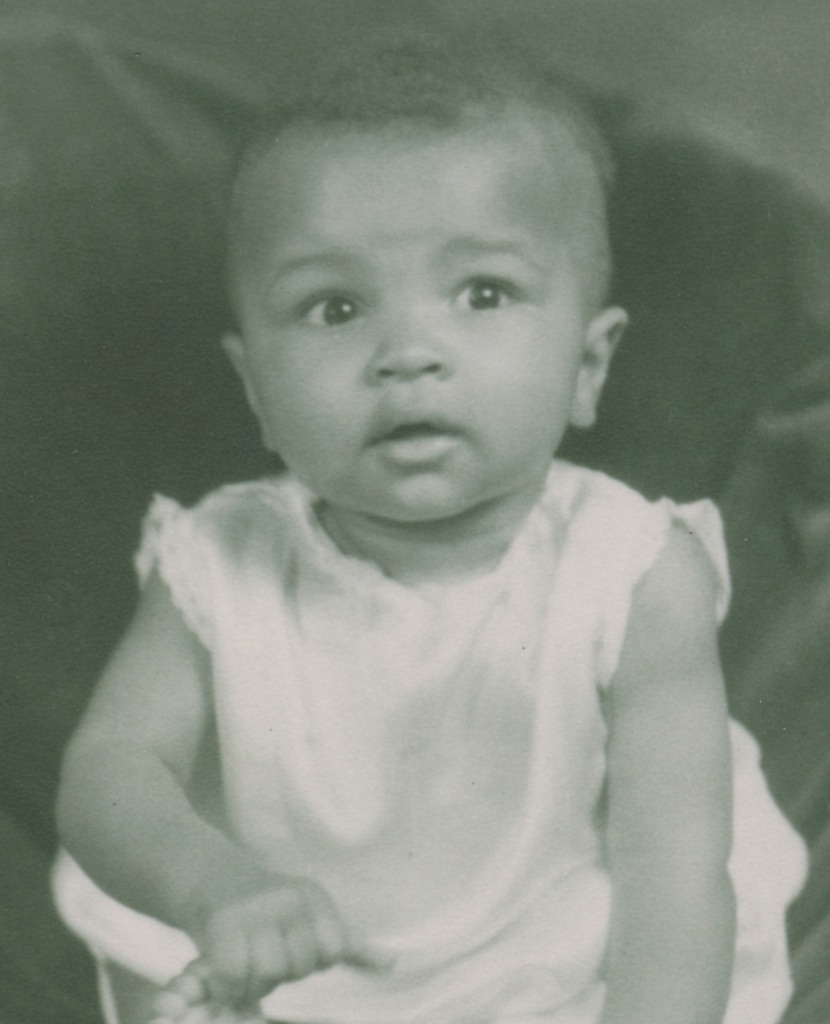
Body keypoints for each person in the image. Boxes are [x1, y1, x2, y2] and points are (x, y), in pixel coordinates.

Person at [53, 28, 807, 1024]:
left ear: (588, 366)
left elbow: (671, 872)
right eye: (333, 308)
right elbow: (110, 773)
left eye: (481, 293)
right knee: (159, 965)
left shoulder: (628, 571)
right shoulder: (216, 563)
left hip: (549, 947)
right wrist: (215, 888)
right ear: (256, 393)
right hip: (281, 930)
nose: (406, 351)